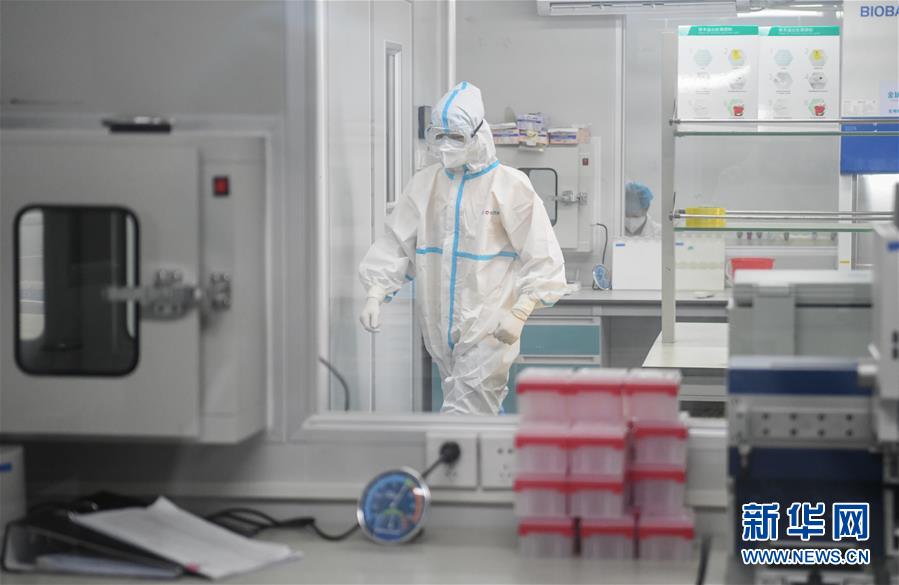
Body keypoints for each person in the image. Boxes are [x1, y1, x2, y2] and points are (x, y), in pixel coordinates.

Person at [358, 82, 567, 415]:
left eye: (455, 137)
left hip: (488, 329)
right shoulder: (425, 184)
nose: (445, 146)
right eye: (438, 136)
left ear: (478, 136)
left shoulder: (509, 186)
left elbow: (543, 257)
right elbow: (396, 243)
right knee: (473, 415)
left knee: (463, 417)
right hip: (438, 328)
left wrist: (520, 311)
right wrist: (375, 292)